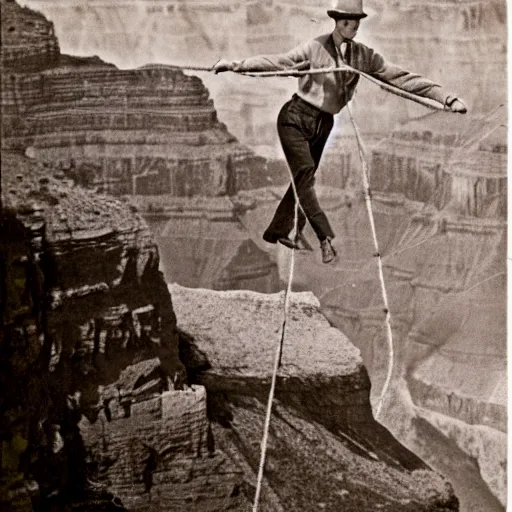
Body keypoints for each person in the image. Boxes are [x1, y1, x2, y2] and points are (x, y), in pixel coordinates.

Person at [213, 0, 467, 263]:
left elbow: (402, 78)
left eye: (356, 23)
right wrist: (235, 64)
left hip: (323, 124)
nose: (353, 28)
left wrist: (446, 98)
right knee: (305, 178)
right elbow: (277, 62)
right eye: (347, 22)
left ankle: (279, 231)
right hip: (295, 118)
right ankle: (325, 238)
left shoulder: (363, 57)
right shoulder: (314, 48)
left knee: (302, 181)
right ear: (337, 22)